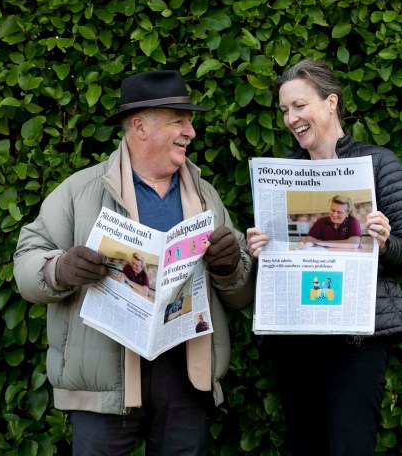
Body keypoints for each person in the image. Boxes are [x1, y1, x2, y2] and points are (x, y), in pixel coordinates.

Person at [14, 69, 255, 455]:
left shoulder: (206, 196)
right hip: (106, 385)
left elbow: (240, 294)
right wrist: (58, 270)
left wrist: (230, 269)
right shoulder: (80, 192)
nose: (191, 131)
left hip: (185, 376)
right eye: (179, 120)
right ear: (140, 127)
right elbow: (26, 261)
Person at [246, 59, 402, 455]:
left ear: (331, 103)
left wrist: (385, 242)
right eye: (285, 111)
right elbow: (274, 268)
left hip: (357, 342)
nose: (292, 118)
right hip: (295, 340)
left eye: (299, 105)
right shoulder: (281, 173)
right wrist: (260, 251)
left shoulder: (378, 164)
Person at [296, 195, 362, 250]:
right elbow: (310, 239)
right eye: (333, 210)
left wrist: (322, 242)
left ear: (348, 213)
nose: (334, 215)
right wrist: (305, 244)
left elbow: (354, 244)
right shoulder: (321, 221)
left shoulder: (353, 222)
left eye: (339, 212)